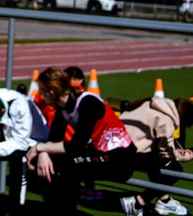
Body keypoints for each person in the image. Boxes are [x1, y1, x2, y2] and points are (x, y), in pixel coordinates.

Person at [25, 66, 135, 214]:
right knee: (48, 164)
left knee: (69, 167)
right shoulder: (62, 106)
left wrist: (40, 148)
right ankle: (55, 207)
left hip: (120, 158)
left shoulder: (87, 103)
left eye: (42, 91)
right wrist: (43, 153)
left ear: (51, 92)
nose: (40, 96)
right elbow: (54, 138)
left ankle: (64, 209)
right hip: (97, 153)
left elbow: (76, 145)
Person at [119, 97, 193, 216]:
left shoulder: (151, 103)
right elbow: (166, 152)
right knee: (174, 168)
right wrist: (183, 157)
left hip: (116, 146)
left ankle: (164, 200)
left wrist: (174, 150)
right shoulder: (166, 120)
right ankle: (138, 202)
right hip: (125, 154)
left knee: (157, 161)